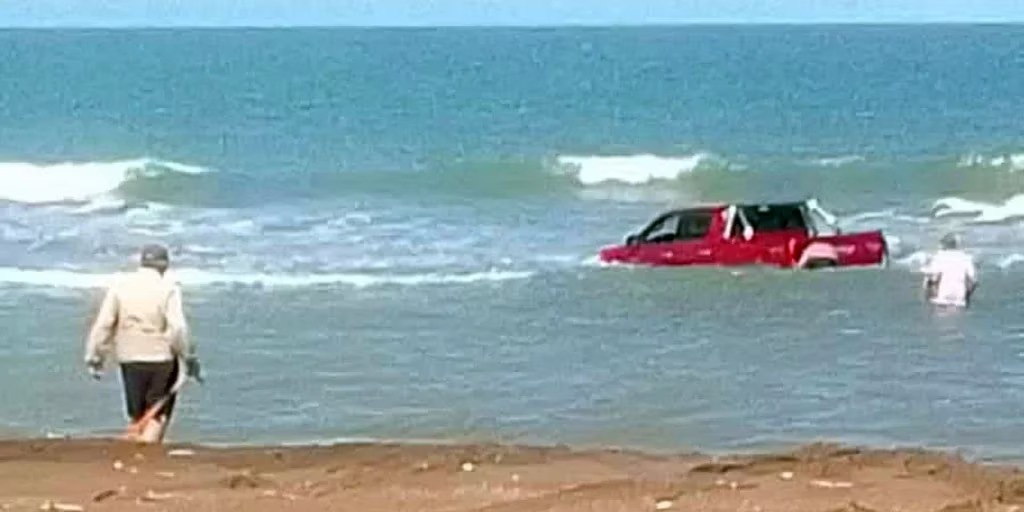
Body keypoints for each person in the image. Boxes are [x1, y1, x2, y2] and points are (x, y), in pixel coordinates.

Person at [84, 244, 200, 443]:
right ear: (164, 265)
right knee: (157, 414)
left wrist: (94, 357)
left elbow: (104, 324)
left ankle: (138, 453)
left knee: (137, 413)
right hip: (161, 359)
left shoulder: (120, 286)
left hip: (129, 358)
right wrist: (188, 357)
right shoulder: (168, 289)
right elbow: (178, 328)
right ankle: (146, 456)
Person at [922, 233, 978, 308]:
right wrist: (967, 296)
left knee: (928, 279)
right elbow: (973, 281)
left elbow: (932, 278)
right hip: (960, 298)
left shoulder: (939, 257)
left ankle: (927, 304)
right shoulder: (966, 258)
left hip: (941, 297)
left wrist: (927, 293)